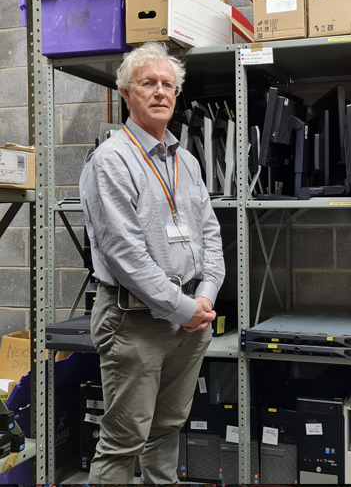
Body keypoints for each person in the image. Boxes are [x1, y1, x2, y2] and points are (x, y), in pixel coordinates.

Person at [79, 41, 225, 484]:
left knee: (167, 429)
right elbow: (125, 255)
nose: (160, 92)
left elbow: (211, 234)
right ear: (126, 92)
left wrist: (203, 296)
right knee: (123, 441)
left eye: (168, 85)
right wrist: (183, 310)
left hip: (189, 320)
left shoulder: (187, 161)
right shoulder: (112, 161)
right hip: (134, 320)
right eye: (148, 83)